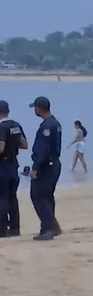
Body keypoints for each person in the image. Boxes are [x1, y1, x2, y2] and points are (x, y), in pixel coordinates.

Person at [28, 96, 63, 240]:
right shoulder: (55, 123)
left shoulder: (47, 126)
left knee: (38, 195)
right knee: (47, 196)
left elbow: (44, 149)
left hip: (46, 165)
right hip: (53, 164)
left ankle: (50, 227)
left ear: (39, 108)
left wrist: (35, 167)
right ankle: (47, 227)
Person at [0, 100, 27, 238]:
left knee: (2, 198)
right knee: (12, 197)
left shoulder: (2, 127)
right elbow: (24, 144)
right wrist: (13, 147)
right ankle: (15, 229)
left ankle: (3, 229)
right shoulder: (16, 125)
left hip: (2, 166)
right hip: (13, 164)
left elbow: (1, 148)